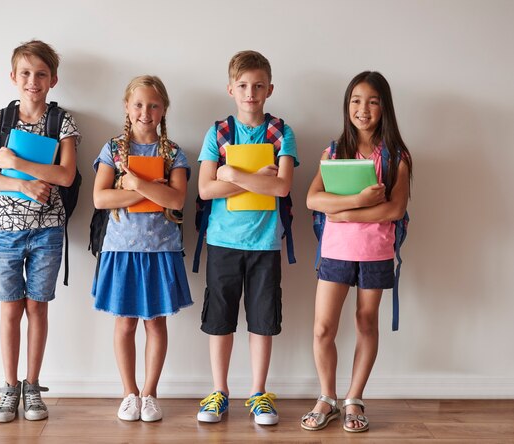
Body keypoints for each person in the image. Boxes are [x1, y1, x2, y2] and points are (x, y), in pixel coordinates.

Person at [0, 40, 81, 423]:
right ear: (13, 77)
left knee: (37, 306)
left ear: (53, 80)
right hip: (4, 230)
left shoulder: (61, 121)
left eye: (41, 74)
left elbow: (65, 175)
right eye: (26, 73)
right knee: (10, 307)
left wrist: (16, 162)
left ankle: (32, 387)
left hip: (48, 229)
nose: (33, 80)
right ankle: (9, 387)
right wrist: (20, 184)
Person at [302, 71, 412, 433]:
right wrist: (357, 201)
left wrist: (343, 212)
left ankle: (354, 398)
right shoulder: (334, 151)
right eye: (356, 101)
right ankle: (327, 397)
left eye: (373, 101)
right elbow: (312, 199)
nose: (363, 109)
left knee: (366, 322)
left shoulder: (397, 154)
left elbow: (394, 210)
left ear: (385, 107)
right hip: (335, 252)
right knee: (322, 329)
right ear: (347, 105)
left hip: (376, 252)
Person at [196, 50, 299, 426]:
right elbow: (206, 189)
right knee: (220, 320)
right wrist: (258, 178)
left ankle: (259, 393)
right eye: (242, 86)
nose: (250, 92)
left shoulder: (282, 132)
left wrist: (232, 174)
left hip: (265, 243)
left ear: (270, 89)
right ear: (230, 89)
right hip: (222, 241)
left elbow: (283, 187)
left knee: (262, 321)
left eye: (258, 86)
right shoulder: (218, 132)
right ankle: (219, 392)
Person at [92, 75, 192, 422]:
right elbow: (101, 197)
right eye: (138, 104)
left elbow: (176, 199)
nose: (145, 112)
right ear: (126, 107)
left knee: (155, 324)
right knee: (124, 324)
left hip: (161, 249)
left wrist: (135, 184)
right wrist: (145, 187)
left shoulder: (173, 153)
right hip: (120, 249)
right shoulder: (114, 150)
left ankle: (150, 393)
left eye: (153, 105)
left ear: (163, 109)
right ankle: (129, 393)